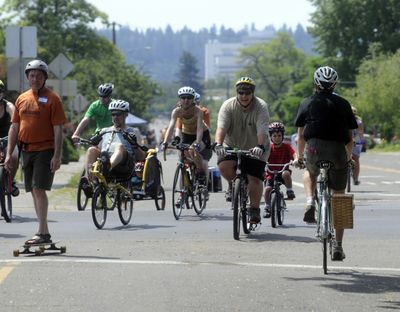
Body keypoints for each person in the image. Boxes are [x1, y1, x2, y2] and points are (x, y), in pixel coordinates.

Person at [294, 66, 358, 261]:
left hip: (313, 149)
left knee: (309, 171)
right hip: (338, 150)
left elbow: (300, 136)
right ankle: (338, 245)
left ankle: (310, 201)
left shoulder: (307, 102)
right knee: (339, 196)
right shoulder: (344, 104)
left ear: (316, 84)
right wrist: (348, 160)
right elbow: (350, 139)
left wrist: (299, 157)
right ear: (334, 84)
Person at [5, 59, 67, 244]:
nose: (35, 79)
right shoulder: (22, 98)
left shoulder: (53, 99)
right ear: (27, 78)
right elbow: (14, 127)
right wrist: (9, 153)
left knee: (39, 188)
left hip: (45, 149)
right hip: (27, 150)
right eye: (31, 75)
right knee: (33, 190)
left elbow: (58, 129)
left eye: (39, 76)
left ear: (45, 78)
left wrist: (57, 155)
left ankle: (42, 232)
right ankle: (43, 232)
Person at [214, 77, 270, 224]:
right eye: (241, 93)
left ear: (253, 94)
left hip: (256, 146)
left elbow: (262, 129)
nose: (244, 96)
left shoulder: (261, 106)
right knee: (223, 166)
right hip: (232, 143)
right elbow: (221, 128)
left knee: (255, 179)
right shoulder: (228, 105)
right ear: (237, 93)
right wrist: (218, 144)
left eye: (247, 93)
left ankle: (254, 209)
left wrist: (259, 146)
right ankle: (235, 184)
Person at [162, 86, 212, 186]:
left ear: (193, 99)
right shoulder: (176, 111)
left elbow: (199, 128)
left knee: (192, 150)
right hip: (187, 135)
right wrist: (165, 142)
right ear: (179, 99)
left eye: (189, 98)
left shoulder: (198, 111)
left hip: (202, 135)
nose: (186, 100)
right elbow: (171, 127)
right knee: (183, 153)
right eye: (183, 97)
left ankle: (200, 172)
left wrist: (197, 143)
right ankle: (184, 188)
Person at [87, 100, 145, 182]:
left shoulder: (133, 131)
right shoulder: (104, 131)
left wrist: (135, 145)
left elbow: (142, 157)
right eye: (113, 114)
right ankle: (91, 182)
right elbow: (98, 150)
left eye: (118, 114)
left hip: (125, 165)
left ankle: (106, 168)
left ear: (126, 115)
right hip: (104, 159)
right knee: (91, 150)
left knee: (119, 146)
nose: (115, 117)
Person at [263, 122, 296, 218]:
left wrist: (297, 159)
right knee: (267, 189)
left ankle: (290, 191)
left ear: (282, 136)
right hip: (271, 172)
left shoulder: (287, 147)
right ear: (270, 137)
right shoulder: (268, 148)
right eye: (274, 136)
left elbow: (294, 154)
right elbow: (262, 156)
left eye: (279, 135)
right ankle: (267, 206)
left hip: (282, 172)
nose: (277, 138)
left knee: (286, 174)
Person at [0, 79, 19, 196]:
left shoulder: (9, 106)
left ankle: (10, 181)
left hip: (8, 139)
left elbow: (16, 122)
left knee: (14, 155)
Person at [351, 106, 364, 185]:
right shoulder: (343, 119)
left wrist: (362, 141)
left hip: (356, 141)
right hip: (348, 140)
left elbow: (360, 132)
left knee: (356, 158)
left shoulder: (359, 121)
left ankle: (355, 178)